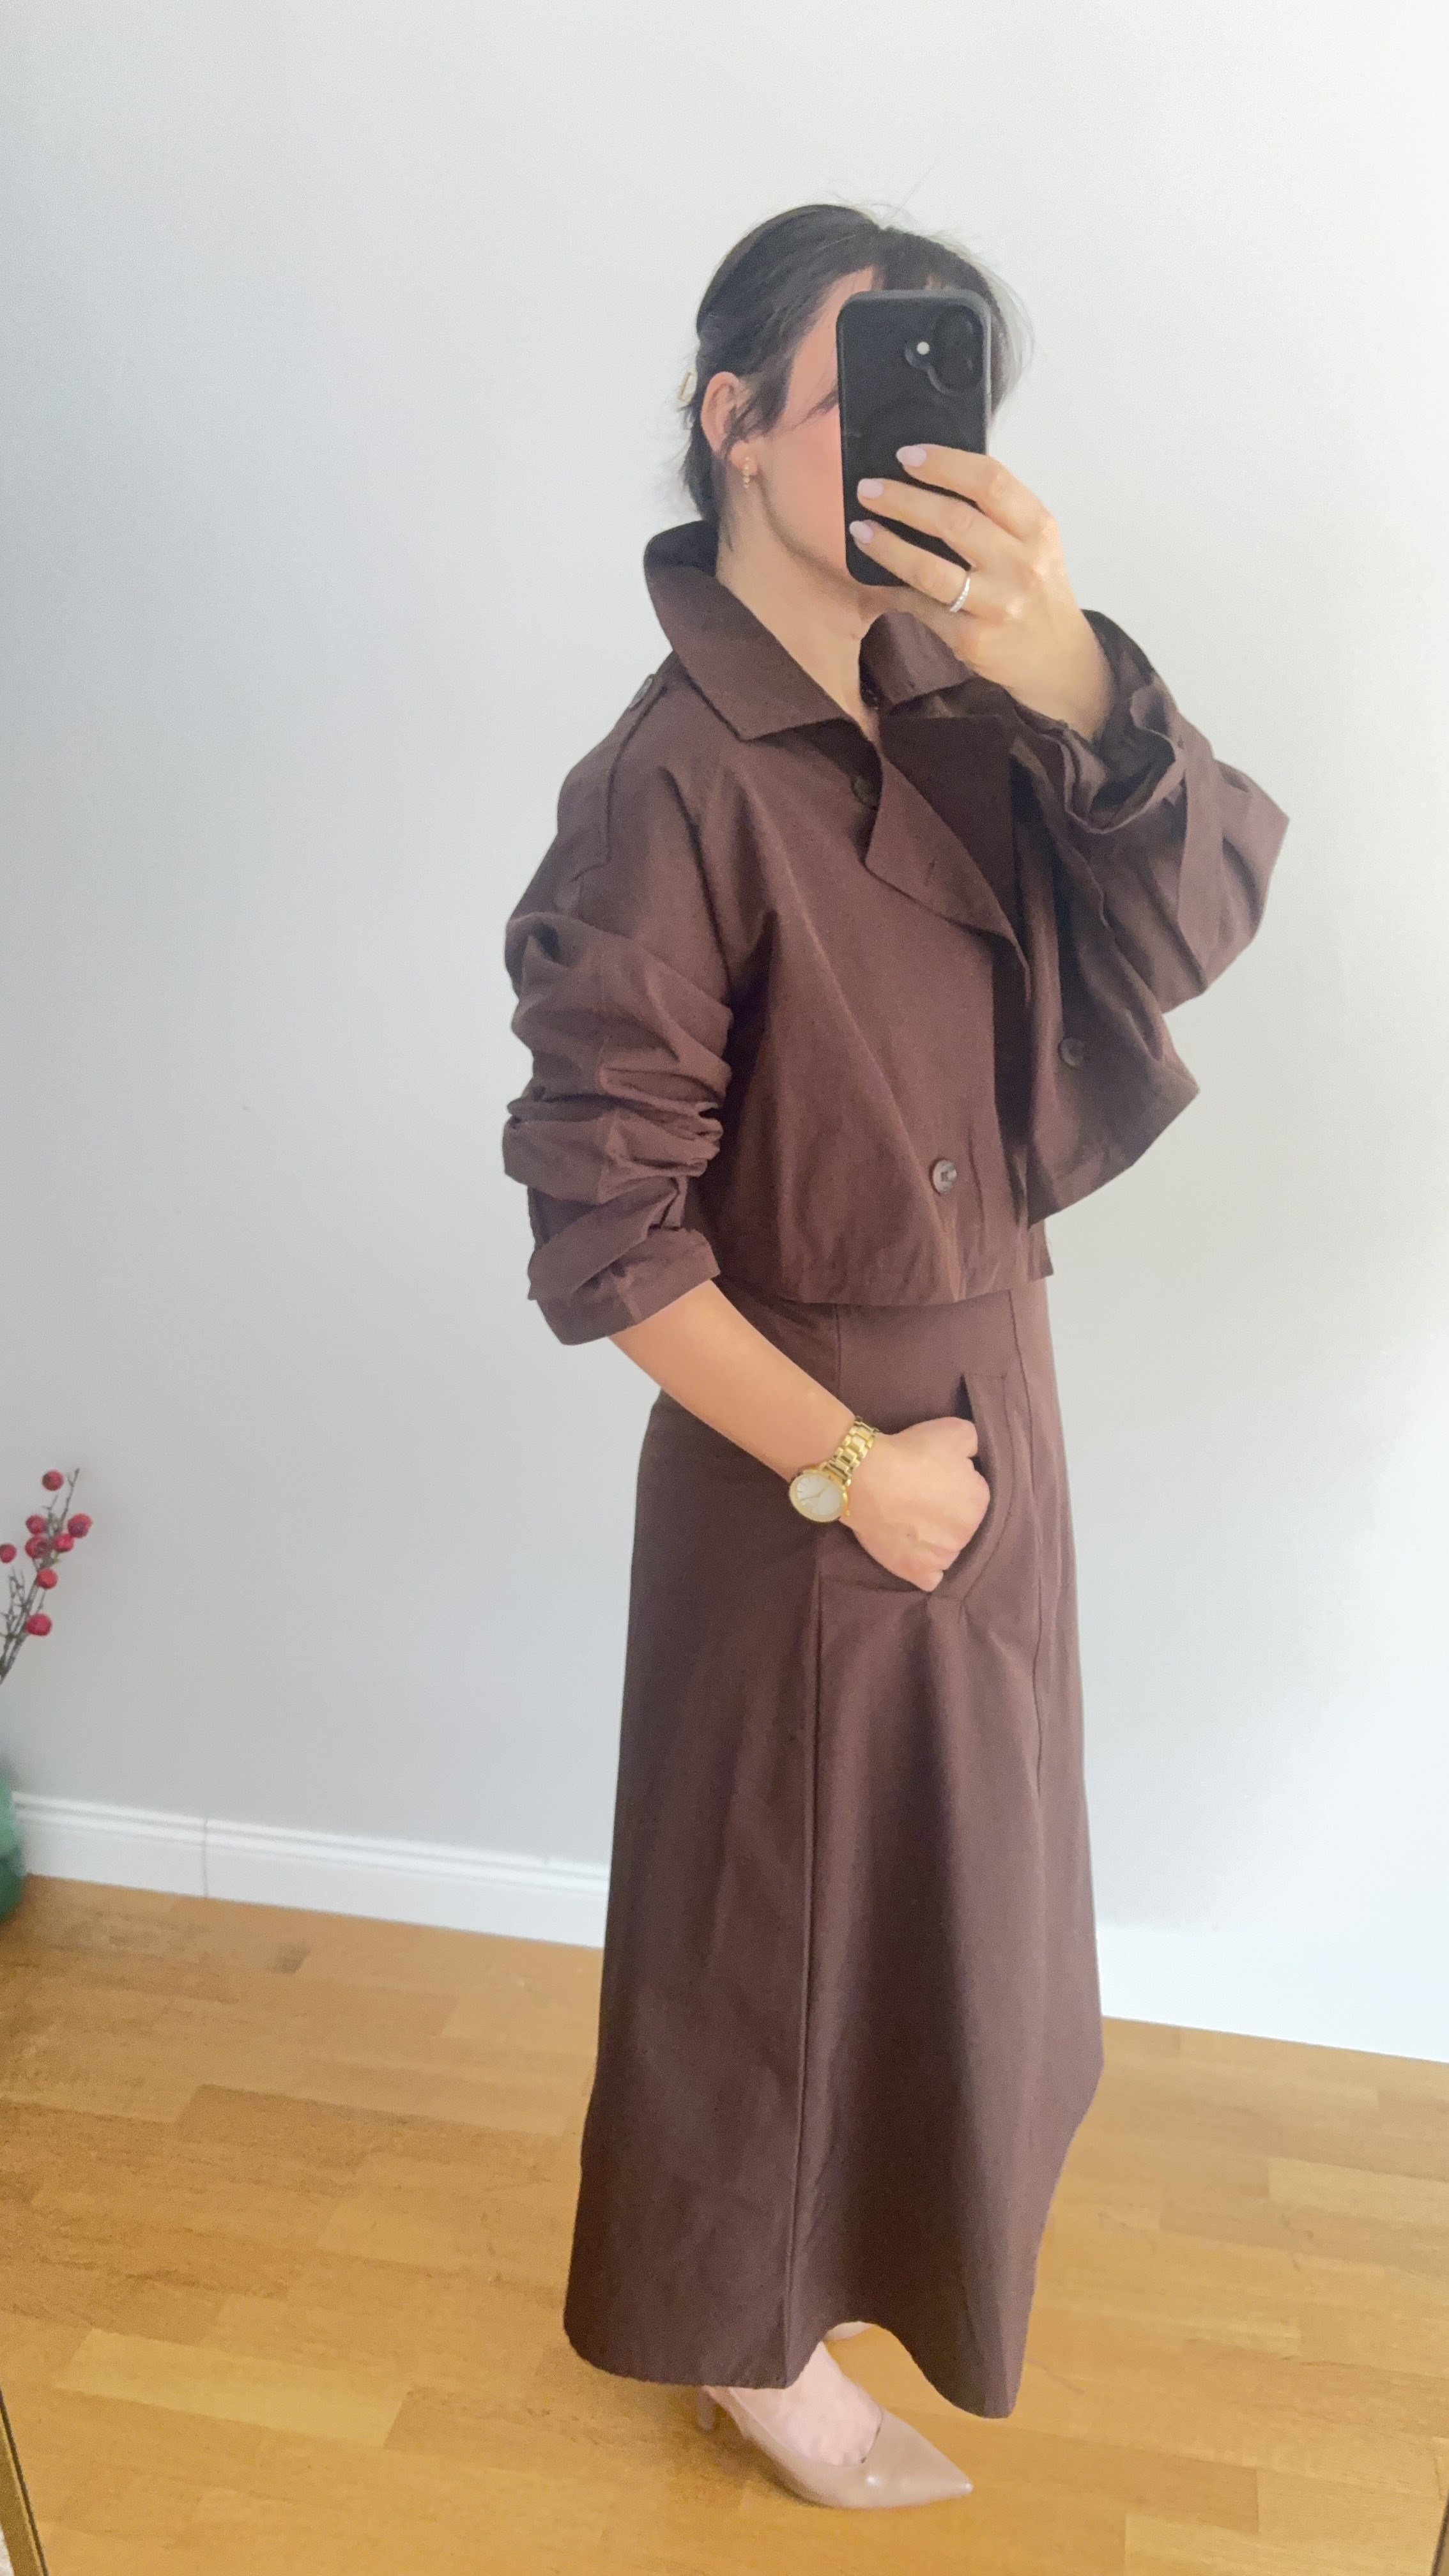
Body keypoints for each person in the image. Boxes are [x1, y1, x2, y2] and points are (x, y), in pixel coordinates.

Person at [500, 202, 1288, 2511]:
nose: (904, 459)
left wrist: (1071, 671)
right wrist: (857, 1466)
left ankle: (827, 2287)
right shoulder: (668, 780)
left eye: (947, 410)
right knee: (767, 1941)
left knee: (956, 1921)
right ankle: (742, 2341)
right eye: (859, 402)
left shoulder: (955, 702)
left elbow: (1191, 925)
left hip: (986, 1394)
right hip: (810, 1458)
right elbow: (607, 1235)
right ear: (734, 424)